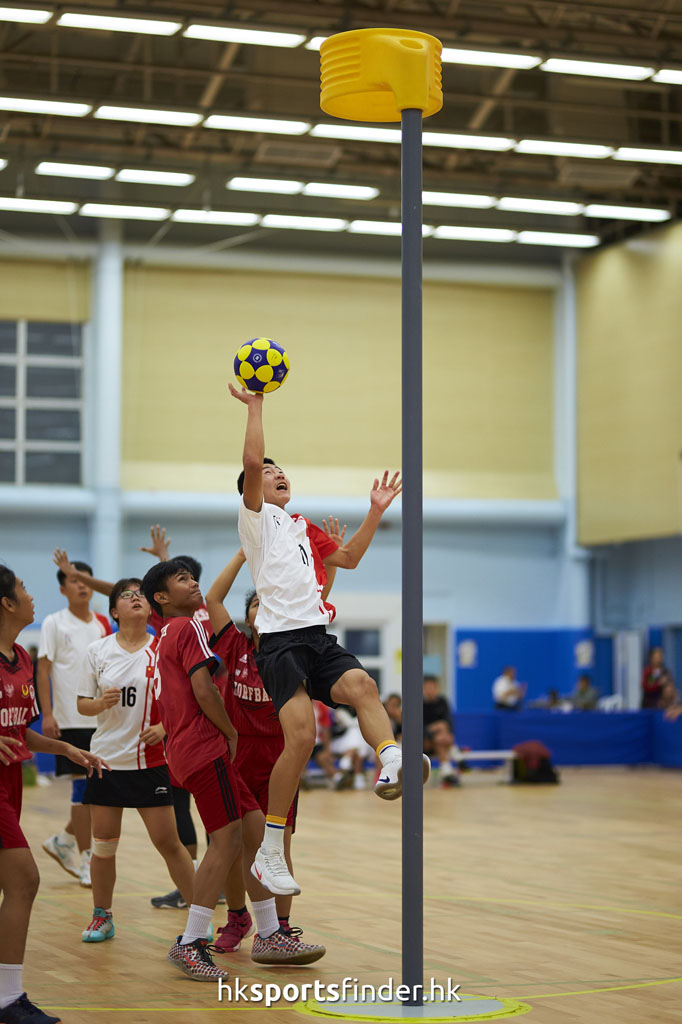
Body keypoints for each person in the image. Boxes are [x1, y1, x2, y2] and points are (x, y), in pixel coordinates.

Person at [229, 384, 430, 897]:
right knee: (301, 738)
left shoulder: (303, 527)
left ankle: (391, 759)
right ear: (253, 488)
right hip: (278, 643)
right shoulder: (258, 522)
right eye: (269, 472)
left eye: (281, 469)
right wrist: (256, 407)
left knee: (362, 683)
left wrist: (376, 511)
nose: (277, 473)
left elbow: (349, 558)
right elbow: (252, 460)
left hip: (316, 636)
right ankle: (270, 852)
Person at [141, 558, 324, 980]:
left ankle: (269, 933)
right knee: (225, 843)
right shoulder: (188, 628)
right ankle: (190, 941)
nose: (193, 584)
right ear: (162, 598)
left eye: (193, 577)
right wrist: (229, 731)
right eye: (182, 579)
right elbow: (203, 689)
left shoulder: (167, 631)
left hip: (202, 749)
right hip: (205, 747)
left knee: (259, 833)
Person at [0, 565, 107, 1024]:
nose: (30, 594)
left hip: (9, 784)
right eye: (22, 588)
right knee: (25, 880)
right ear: (6, 602)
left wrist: (65, 747)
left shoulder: (22, 656)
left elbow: (19, 729)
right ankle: (7, 999)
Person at [205, 550, 324, 953]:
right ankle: (237, 916)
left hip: (280, 756)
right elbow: (213, 599)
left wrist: (334, 563)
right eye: (257, 602)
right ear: (249, 615)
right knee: (233, 843)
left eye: (270, 602)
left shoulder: (291, 654)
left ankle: (281, 928)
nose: (264, 607)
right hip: (237, 755)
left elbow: (316, 599)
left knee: (278, 844)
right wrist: (244, 550)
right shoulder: (235, 645)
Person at [76, 577, 196, 944]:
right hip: (106, 761)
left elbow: (187, 701)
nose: (136, 599)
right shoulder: (97, 651)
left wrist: (163, 726)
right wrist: (99, 704)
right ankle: (102, 917)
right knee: (104, 845)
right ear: (114, 611)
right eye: (126, 596)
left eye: (140, 594)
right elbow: (83, 704)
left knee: (169, 843)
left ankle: (199, 915)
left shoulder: (163, 649)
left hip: (151, 762)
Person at [37, 559, 111, 887]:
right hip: (70, 717)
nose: (82, 585)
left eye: (86, 580)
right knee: (83, 787)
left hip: (102, 718)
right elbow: (43, 670)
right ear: (62, 589)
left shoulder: (102, 623)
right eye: (74, 580)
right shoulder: (54, 623)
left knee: (96, 789)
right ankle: (85, 859)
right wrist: (48, 714)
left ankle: (64, 840)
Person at [423, 677, 459, 786]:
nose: (430, 690)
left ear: (437, 688)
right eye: (427, 688)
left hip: (440, 740)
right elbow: (420, 728)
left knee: (441, 736)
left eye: (432, 687)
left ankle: (447, 772)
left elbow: (449, 721)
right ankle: (454, 753)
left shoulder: (443, 701)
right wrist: (435, 729)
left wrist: (448, 734)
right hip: (425, 741)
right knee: (441, 727)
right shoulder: (420, 704)